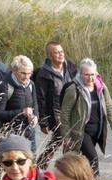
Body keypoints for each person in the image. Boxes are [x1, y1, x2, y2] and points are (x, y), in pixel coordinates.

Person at [59, 58, 112, 179]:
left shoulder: (101, 87)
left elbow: (109, 106)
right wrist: (66, 135)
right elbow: (65, 113)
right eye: (86, 75)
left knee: (83, 161)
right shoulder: (74, 89)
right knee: (93, 158)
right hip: (81, 131)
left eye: (92, 74)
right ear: (80, 74)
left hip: (96, 130)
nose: (90, 78)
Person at [34, 41, 78, 169]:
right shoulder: (43, 74)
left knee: (70, 137)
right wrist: (43, 122)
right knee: (62, 134)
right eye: (56, 53)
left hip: (72, 108)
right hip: (55, 111)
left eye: (61, 52)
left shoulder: (71, 67)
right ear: (49, 56)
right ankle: (44, 163)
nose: (60, 55)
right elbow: (40, 98)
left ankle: (46, 163)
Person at [0, 55, 38, 154]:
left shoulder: (31, 84)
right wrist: (21, 112)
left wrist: (36, 117)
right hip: (11, 134)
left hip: (29, 132)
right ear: (14, 71)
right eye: (22, 73)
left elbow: (35, 105)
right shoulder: (5, 86)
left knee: (32, 163)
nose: (26, 77)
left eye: (29, 73)